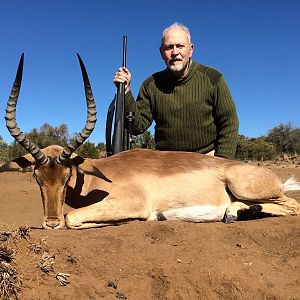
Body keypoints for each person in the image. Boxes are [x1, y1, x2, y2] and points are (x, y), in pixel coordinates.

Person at [113, 23, 239, 159]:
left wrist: (221, 163)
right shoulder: (151, 84)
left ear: (191, 50)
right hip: (165, 162)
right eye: (169, 47)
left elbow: (229, 122)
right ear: (161, 53)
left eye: (180, 46)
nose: (174, 52)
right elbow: (137, 127)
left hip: (205, 160)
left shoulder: (213, 78)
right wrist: (125, 91)